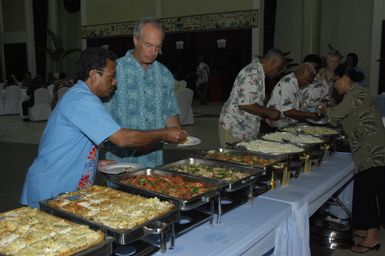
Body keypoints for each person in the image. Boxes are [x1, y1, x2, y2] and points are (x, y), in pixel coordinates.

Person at [20, 47, 187, 208]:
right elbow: (123, 139)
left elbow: (68, 142)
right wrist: (164, 133)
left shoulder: (82, 96)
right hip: (51, 190)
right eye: (112, 76)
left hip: (62, 189)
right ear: (93, 74)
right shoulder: (82, 101)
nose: (115, 82)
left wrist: (91, 162)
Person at [318, 65, 385, 253]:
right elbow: (342, 119)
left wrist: (322, 109)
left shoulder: (356, 94)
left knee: (370, 194)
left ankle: (372, 239)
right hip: (368, 149)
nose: (334, 86)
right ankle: (366, 230)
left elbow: (335, 115)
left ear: (344, 79)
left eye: (335, 81)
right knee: (365, 191)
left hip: (372, 151)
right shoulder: (356, 94)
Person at [104, 17, 181, 168]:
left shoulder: (165, 74)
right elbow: (103, 119)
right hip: (121, 162)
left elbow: (169, 111)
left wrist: (176, 132)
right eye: (148, 45)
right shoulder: (115, 71)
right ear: (135, 40)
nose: (153, 52)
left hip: (154, 161)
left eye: (157, 47)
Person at [218, 49, 286, 147]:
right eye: (279, 69)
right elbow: (245, 105)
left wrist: (265, 116)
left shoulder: (258, 72)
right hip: (235, 128)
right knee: (233, 160)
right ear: (273, 62)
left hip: (245, 128)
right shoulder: (252, 73)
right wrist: (270, 112)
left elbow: (253, 102)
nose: (278, 73)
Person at [266, 63, 319, 128]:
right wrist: (311, 115)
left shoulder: (295, 83)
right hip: (277, 126)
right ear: (302, 73)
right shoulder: (288, 83)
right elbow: (288, 112)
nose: (307, 83)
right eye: (307, 80)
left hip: (286, 124)